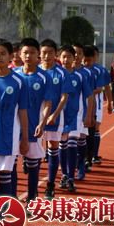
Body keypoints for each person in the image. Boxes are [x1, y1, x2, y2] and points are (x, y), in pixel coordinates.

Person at [0, 39, 29, 198]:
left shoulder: (19, 81)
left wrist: (24, 138)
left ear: (10, 56)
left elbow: (23, 111)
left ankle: (4, 208)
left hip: (9, 135)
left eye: (3, 53)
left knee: (5, 176)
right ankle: (1, 201)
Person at [14, 38, 54, 205]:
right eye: (25, 52)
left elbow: (48, 103)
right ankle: (12, 197)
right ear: (19, 54)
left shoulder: (44, 77)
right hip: (13, 127)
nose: (28, 56)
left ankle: (32, 196)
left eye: (32, 52)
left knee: (32, 164)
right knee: (12, 164)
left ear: (38, 55)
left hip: (33, 126)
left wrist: (42, 123)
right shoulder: (13, 75)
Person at [39, 39, 72, 200]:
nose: (47, 56)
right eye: (44, 53)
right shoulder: (35, 71)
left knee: (53, 148)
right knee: (34, 152)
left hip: (55, 118)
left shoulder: (62, 73)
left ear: (55, 54)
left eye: (50, 53)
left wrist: (55, 115)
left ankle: (50, 185)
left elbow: (64, 97)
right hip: (36, 117)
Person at [58, 45, 88, 192]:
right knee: (61, 145)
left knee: (71, 144)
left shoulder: (80, 76)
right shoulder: (55, 75)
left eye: (69, 56)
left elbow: (87, 97)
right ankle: (64, 174)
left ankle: (70, 177)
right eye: (63, 56)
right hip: (58, 115)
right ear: (59, 58)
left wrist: (87, 115)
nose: (66, 59)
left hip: (75, 115)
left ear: (73, 58)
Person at [72, 44, 95, 182]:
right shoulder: (63, 72)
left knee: (80, 140)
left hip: (81, 113)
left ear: (82, 56)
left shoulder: (87, 73)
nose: (76, 56)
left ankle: (81, 167)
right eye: (73, 53)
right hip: (65, 114)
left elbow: (90, 96)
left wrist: (89, 115)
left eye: (79, 53)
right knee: (67, 143)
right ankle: (69, 171)